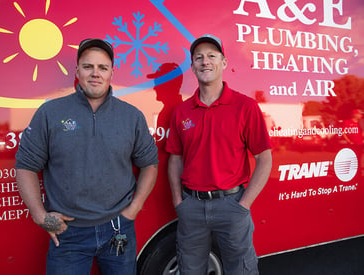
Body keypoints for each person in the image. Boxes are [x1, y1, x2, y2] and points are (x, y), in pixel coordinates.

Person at [15, 38, 158, 275]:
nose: (95, 73)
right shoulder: (50, 113)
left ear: (112, 72)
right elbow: (26, 166)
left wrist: (134, 208)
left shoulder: (131, 116)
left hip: (118, 229)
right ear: (77, 71)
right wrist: (39, 215)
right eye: (88, 66)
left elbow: (150, 164)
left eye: (103, 67)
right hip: (68, 234)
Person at [166, 34, 272, 275]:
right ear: (192, 66)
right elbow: (175, 159)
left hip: (232, 204)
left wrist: (244, 205)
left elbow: (264, 158)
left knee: (241, 270)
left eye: (212, 56)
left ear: (223, 63)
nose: (205, 62)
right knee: (190, 269)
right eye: (199, 57)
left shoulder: (245, 107)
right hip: (191, 206)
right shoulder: (182, 111)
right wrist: (178, 202)